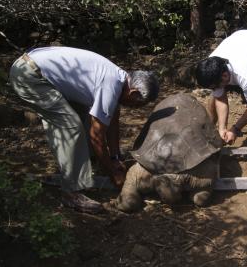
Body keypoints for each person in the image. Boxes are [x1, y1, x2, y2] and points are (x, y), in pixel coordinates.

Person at [9, 47, 158, 214]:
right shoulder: (110, 85)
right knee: (71, 126)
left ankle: (88, 164)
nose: (134, 108)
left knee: (83, 115)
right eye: (136, 104)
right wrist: (112, 172)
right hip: (29, 76)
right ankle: (71, 193)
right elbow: (96, 136)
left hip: (37, 71)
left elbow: (112, 122)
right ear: (133, 92)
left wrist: (115, 158)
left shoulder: (121, 79)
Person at [195, 29, 247, 145]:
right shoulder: (211, 65)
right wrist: (222, 128)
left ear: (225, 76)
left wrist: (235, 129)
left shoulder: (245, 76)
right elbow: (220, 98)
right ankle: (211, 129)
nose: (215, 89)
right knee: (214, 97)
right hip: (242, 42)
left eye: (215, 86)